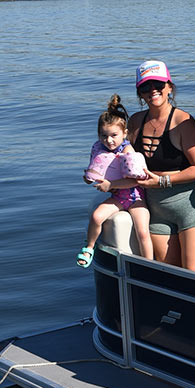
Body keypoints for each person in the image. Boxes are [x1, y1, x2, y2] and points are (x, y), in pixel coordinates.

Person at [126, 60, 195, 273]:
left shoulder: (183, 121)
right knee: (171, 277)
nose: (153, 91)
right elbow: (122, 158)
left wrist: (162, 180)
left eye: (158, 85)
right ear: (140, 93)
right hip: (156, 209)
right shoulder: (135, 122)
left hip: (189, 208)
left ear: (169, 87)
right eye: (146, 87)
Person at [77, 94, 153, 267]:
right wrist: (90, 179)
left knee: (142, 232)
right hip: (118, 198)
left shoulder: (128, 151)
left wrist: (110, 185)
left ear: (124, 133)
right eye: (104, 136)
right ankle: (89, 247)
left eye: (114, 135)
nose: (109, 140)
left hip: (136, 198)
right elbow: (99, 174)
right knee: (96, 216)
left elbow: (135, 181)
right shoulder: (100, 150)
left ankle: (149, 265)